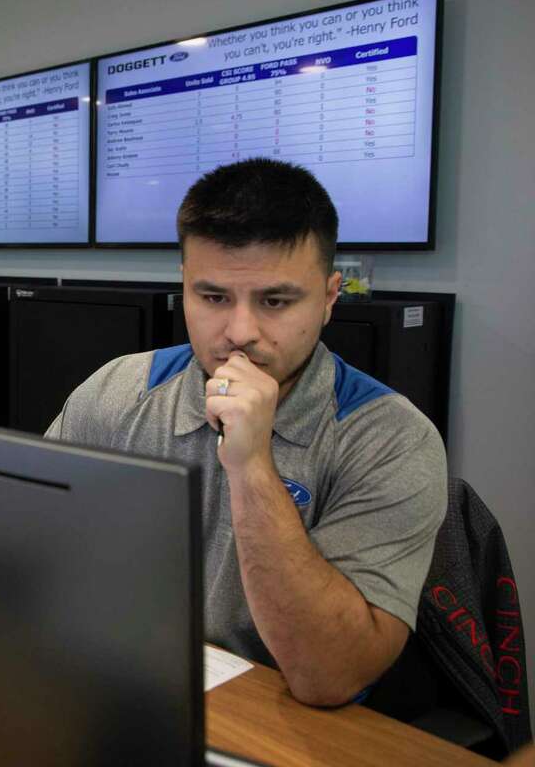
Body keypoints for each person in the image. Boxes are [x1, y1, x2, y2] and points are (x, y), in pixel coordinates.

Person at [46, 158, 447, 706]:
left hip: (284, 721)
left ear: (330, 297)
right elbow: (34, 549)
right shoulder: (119, 391)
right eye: (213, 298)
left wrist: (253, 464)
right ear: (183, 288)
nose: (239, 333)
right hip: (123, 683)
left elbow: (330, 675)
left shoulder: (391, 439)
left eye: (276, 301)